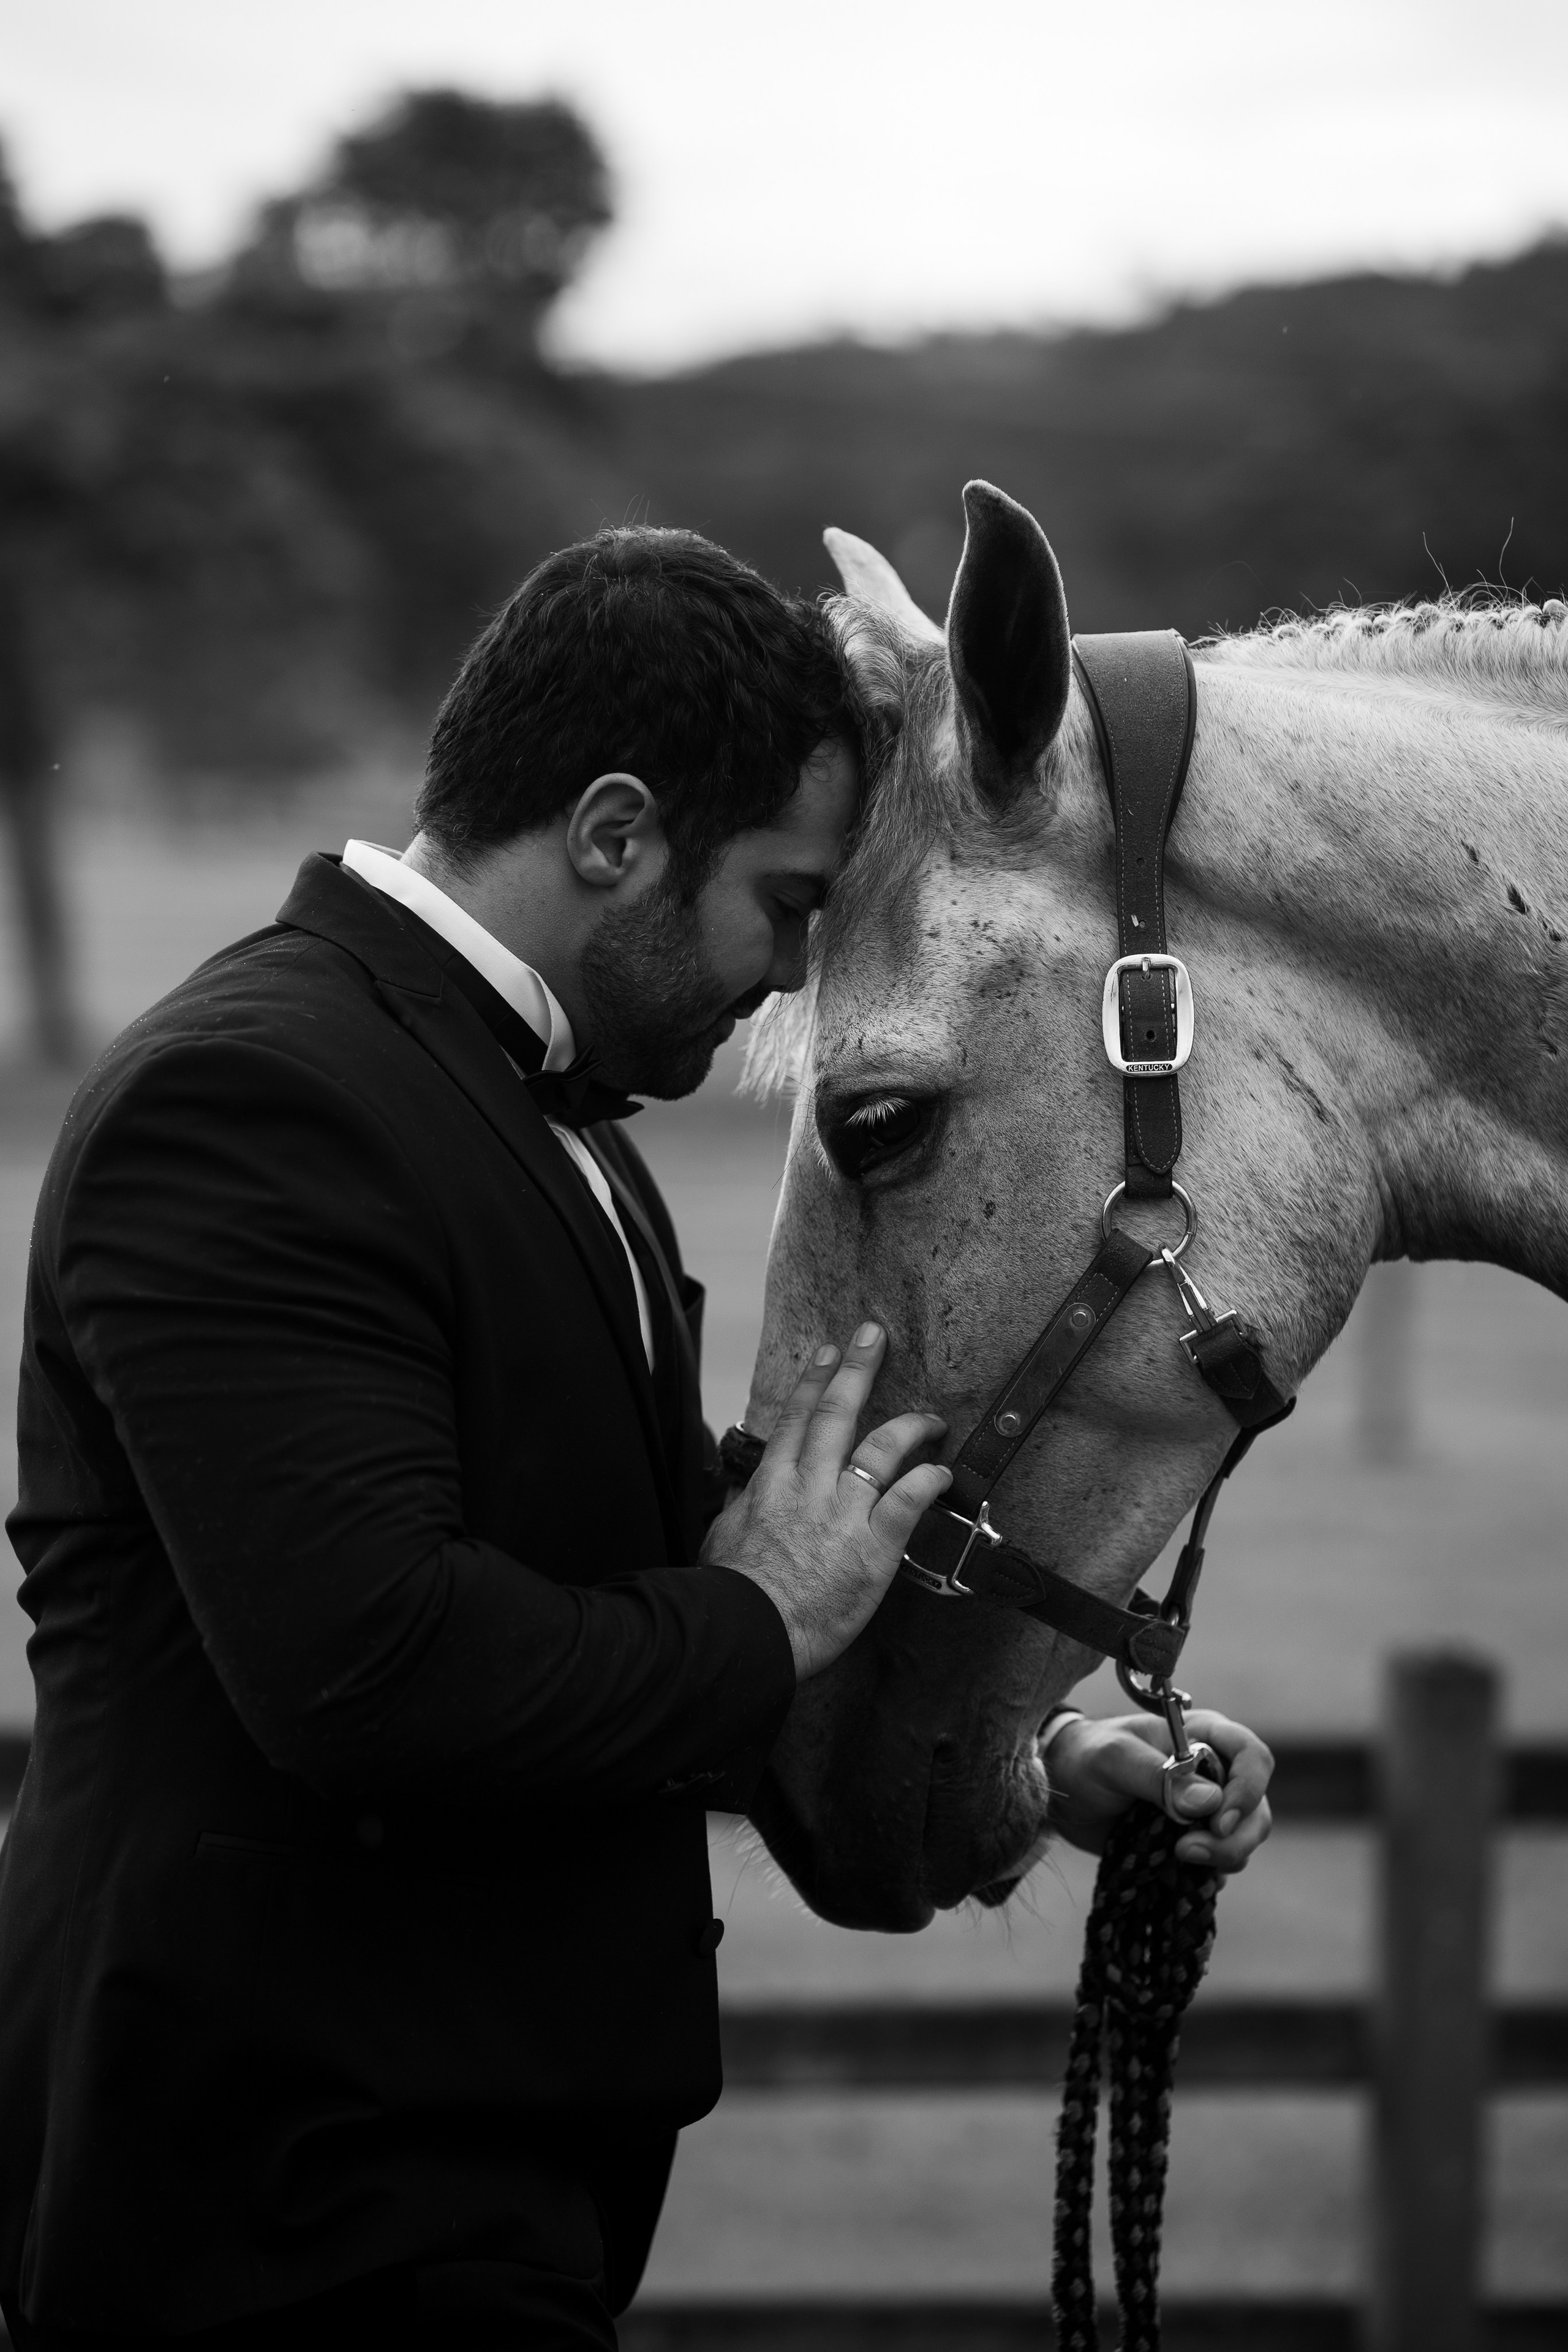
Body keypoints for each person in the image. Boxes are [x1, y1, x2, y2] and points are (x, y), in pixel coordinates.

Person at [0, 527, 1272, 2350]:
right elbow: (372, 1671)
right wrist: (761, 1616)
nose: (789, 972)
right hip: (268, 2187)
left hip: (458, 2170)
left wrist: (1021, 1766)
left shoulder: (549, 1115)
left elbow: (611, 1565)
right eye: (786, 899)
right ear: (613, 834)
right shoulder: (251, 1102)